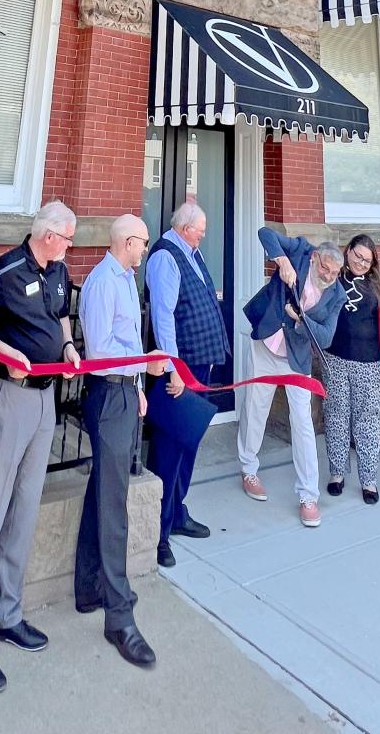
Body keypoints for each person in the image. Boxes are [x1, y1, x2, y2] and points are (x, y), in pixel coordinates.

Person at [0, 201, 82, 694]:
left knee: (25, 508)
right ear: (49, 235)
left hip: (45, 399)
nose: (71, 247)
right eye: (68, 238)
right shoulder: (7, 269)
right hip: (7, 400)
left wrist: (71, 349)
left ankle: (4, 613)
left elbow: (62, 313)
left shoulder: (59, 270)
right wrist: (0, 351)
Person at [75, 215, 169, 668]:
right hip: (107, 396)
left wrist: (136, 387)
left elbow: (126, 336)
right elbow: (97, 351)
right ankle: (119, 615)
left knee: (104, 491)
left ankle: (89, 585)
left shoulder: (128, 279)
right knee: (115, 506)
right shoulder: (101, 283)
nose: (146, 249)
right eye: (144, 242)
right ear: (127, 242)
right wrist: (141, 366)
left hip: (124, 394)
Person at [143, 200, 231, 566]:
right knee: (170, 446)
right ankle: (159, 533)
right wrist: (173, 368)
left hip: (200, 365)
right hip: (181, 368)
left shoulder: (191, 253)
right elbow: (163, 316)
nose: (205, 234)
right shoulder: (166, 256)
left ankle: (177, 512)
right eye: (201, 228)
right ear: (184, 227)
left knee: (189, 443)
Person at [239, 227, 342, 526]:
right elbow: (264, 232)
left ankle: (308, 495)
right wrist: (281, 260)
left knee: (303, 423)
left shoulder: (336, 294)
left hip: (296, 358)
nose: (329, 276)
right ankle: (249, 469)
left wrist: (302, 318)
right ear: (314, 258)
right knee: (255, 408)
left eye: (336, 272)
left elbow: (324, 337)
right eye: (325, 268)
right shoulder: (300, 250)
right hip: (266, 344)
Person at [311, 233, 380, 504]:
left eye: (367, 260)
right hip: (334, 358)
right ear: (348, 252)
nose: (361, 262)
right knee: (335, 416)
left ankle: (369, 480)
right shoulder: (333, 276)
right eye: (357, 256)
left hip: (369, 363)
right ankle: (336, 473)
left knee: (367, 420)